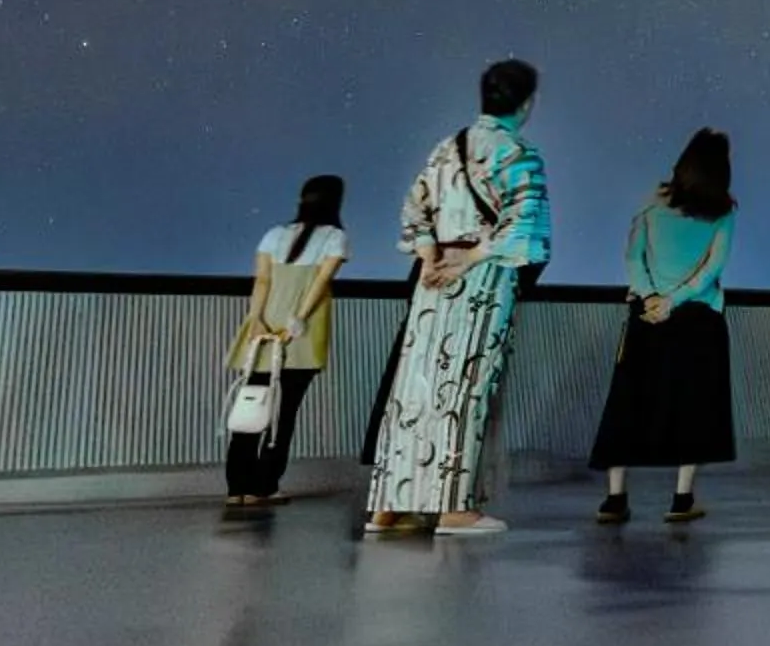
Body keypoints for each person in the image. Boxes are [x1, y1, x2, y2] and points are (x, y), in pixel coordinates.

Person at [366, 58, 553, 537]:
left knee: (414, 390)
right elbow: (524, 223)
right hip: (482, 282)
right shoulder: (519, 153)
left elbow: (415, 207)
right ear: (526, 103)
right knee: (466, 388)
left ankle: (389, 505)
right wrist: (470, 258)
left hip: (432, 283)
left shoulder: (447, 147)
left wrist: (430, 257)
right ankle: (453, 508)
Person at [589, 129, 739, 523]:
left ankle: (614, 498)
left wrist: (649, 297)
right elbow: (713, 267)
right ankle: (681, 499)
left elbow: (633, 255)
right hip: (699, 318)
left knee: (628, 402)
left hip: (647, 316)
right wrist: (673, 300)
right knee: (694, 407)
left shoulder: (653, 202)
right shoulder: (723, 211)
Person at [223, 175, 348, 507]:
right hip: (300, 335)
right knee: (283, 412)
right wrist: (298, 321)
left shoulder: (274, 234)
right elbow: (320, 282)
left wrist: (255, 319)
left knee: (252, 404)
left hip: (263, 331)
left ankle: (237, 488)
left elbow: (262, 280)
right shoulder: (335, 238)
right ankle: (264, 487)